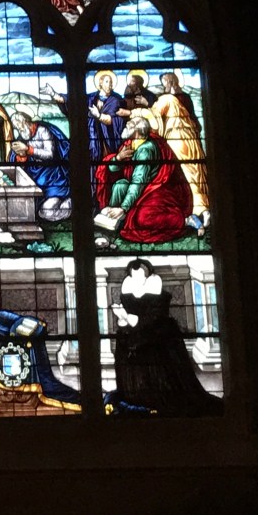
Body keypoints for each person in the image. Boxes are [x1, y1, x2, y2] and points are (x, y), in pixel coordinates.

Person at [104, 260, 223, 417]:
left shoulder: (155, 286)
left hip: (155, 333)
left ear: (148, 275)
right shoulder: (128, 285)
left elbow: (156, 317)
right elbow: (129, 312)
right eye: (134, 275)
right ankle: (135, 395)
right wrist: (123, 318)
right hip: (133, 333)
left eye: (141, 275)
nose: (137, 278)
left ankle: (156, 396)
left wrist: (131, 319)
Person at [93, 116, 198, 242]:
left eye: (129, 125)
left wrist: (123, 208)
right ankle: (112, 221)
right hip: (140, 189)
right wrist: (118, 158)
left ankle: (185, 220)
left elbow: (138, 182)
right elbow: (113, 170)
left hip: (155, 191)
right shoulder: (131, 144)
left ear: (137, 131)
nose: (126, 126)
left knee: (142, 219)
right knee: (120, 185)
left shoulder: (145, 150)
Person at [147, 73, 210, 226]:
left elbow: (154, 118)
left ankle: (195, 211)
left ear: (171, 81)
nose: (164, 87)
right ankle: (204, 210)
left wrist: (141, 108)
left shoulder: (167, 99)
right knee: (195, 175)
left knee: (185, 176)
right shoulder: (186, 98)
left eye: (165, 83)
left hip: (177, 142)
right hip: (191, 141)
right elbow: (195, 121)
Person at [9, 110, 72, 222]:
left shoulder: (43, 131)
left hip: (53, 179)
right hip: (36, 178)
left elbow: (50, 154)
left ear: (25, 122)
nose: (19, 130)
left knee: (45, 212)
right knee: (33, 210)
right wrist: (22, 155)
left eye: (20, 127)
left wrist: (29, 150)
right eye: (17, 128)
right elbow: (19, 160)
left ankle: (70, 202)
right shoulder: (23, 136)